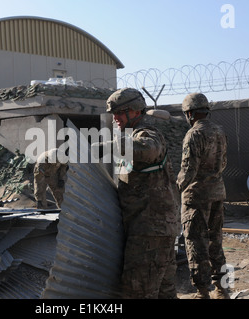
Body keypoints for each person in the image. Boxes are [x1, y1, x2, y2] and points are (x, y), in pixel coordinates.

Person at [103, 87, 180, 299]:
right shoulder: (129, 136)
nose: (116, 118)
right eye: (114, 114)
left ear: (136, 111)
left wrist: (105, 147)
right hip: (150, 228)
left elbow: (149, 149)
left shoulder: (147, 133)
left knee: (137, 291)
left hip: (150, 231)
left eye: (120, 112)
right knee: (164, 292)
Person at [176, 92, 229, 299]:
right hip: (217, 192)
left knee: (196, 243)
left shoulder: (194, 134)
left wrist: (175, 187)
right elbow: (223, 163)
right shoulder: (220, 131)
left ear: (189, 114)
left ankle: (202, 292)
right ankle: (222, 289)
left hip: (196, 197)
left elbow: (188, 169)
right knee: (216, 242)